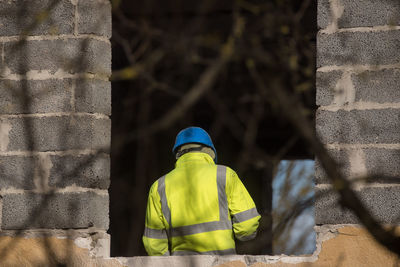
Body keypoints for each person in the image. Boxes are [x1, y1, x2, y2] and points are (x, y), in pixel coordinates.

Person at [143, 127, 260, 256]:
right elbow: (247, 226)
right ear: (210, 151)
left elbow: (153, 244)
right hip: (222, 263)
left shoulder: (159, 186)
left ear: (178, 154)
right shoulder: (225, 175)